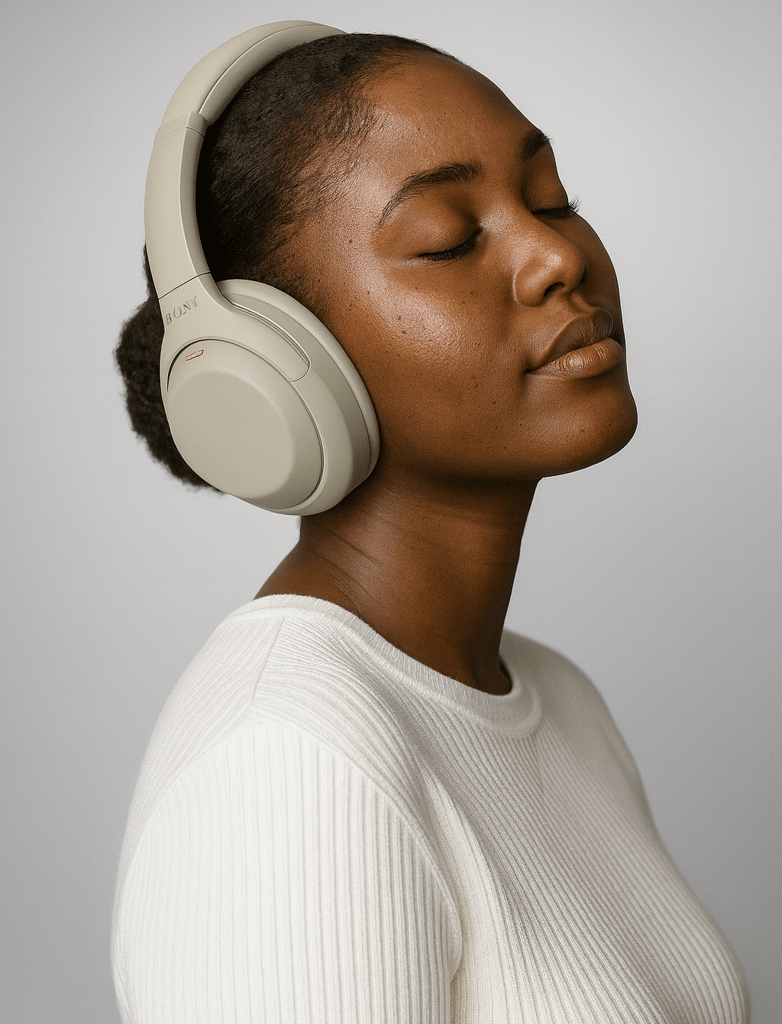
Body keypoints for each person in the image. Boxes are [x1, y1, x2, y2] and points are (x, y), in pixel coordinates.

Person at [112, 25, 750, 1024]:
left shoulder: (556, 700)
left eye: (550, 198)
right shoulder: (285, 760)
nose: (554, 255)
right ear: (281, 359)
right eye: (450, 237)